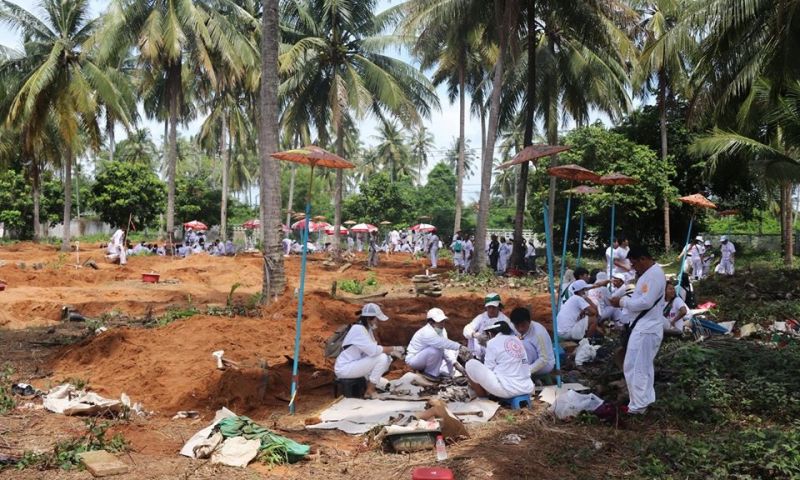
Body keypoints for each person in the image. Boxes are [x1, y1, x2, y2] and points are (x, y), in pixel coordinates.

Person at [609, 245, 666, 415]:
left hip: (647, 328)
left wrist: (622, 303)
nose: (633, 267)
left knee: (636, 367)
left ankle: (638, 406)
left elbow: (646, 302)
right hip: (643, 327)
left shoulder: (654, 275)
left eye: (634, 264)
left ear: (643, 259)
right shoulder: (648, 274)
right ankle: (643, 401)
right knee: (640, 366)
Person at [334, 303, 404, 398]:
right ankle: (370, 390)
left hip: (354, 364)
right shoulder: (358, 330)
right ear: (369, 319)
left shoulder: (366, 329)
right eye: (376, 319)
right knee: (381, 358)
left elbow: (372, 350)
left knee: (386, 358)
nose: (377, 322)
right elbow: (374, 351)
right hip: (345, 368)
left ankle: (369, 383)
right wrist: (394, 348)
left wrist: (390, 353)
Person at [465, 321, 534, 399]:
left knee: (470, 364)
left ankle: (483, 399)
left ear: (491, 334)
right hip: (527, 387)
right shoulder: (517, 340)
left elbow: (489, 368)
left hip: (508, 390)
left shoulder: (492, 342)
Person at [405, 308, 462, 381]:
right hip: (414, 360)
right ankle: (430, 374)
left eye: (443, 321)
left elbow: (446, 348)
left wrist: (455, 363)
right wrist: (460, 347)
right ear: (431, 322)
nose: (442, 324)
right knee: (436, 350)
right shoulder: (426, 332)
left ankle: (445, 373)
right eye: (440, 322)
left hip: (427, 358)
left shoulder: (442, 330)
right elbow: (442, 344)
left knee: (452, 349)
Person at [463, 293, 512, 359]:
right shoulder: (481, 317)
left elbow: (513, 334)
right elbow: (467, 328)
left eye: (494, 307)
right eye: (489, 307)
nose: (491, 310)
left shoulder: (505, 320)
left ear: (499, 307)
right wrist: (475, 335)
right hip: (479, 352)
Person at [509, 307, 555, 377]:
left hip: (545, 364)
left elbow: (544, 359)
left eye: (523, 325)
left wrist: (526, 371)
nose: (520, 329)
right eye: (517, 326)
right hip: (527, 359)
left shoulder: (539, 333)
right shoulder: (512, 326)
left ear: (529, 321)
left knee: (522, 344)